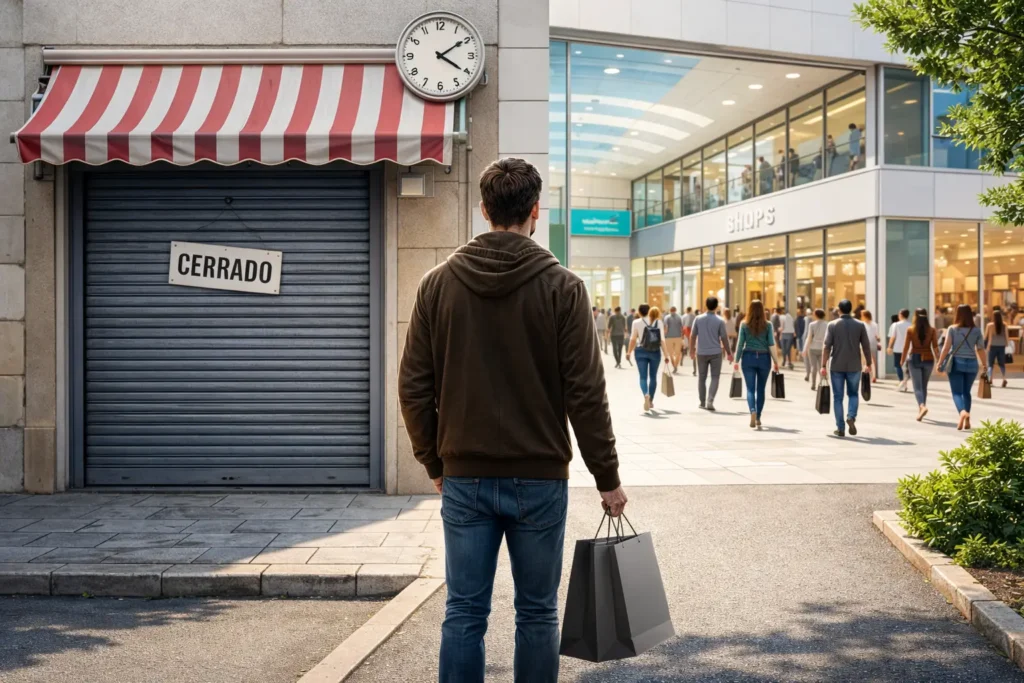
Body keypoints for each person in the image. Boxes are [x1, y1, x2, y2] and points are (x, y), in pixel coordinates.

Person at [398, 157, 626, 683]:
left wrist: (434, 460)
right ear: (534, 212)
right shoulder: (563, 288)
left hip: (465, 476)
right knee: (538, 613)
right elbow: (586, 394)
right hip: (541, 479)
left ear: (484, 209)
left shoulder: (437, 285)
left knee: (464, 613)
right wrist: (607, 478)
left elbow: (414, 386)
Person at [822, 299, 873, 438]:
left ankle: (840, 428)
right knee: (853, 394)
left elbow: (827, 346)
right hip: (854, 365)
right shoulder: (860, 325)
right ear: (851, 309)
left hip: (836, 365)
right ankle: (851, 416)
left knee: (838, 397)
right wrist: (868, 363)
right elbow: (866, 346)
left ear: (839, 310)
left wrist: (823, 365)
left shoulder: (832, 325)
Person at [936, 304, 987, 431]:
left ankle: (962, 412)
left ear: (957, 314)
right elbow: (980, 349)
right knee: (966, 392)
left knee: (957, 392)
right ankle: (967, 418)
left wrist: (939, 363)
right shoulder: (976, 330)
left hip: (956, 363)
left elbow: (946, 347)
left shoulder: (952, 329)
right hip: (972, 364)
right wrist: (985, 364)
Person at [734, 299, 780, 430]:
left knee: (750, 389)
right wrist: (776, 361)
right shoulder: (768, 325)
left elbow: (740, 344)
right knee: (761, 389)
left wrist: (736, 360)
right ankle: (758, 417)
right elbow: (771, 344)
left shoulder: (744, 324)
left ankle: (752, 410)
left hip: (748, 357)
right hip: (764, 358)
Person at [690, 296, 733, 411]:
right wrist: (729, 353)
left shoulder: (698, 319)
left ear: (706, 305)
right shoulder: (720, 321)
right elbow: (724, 338)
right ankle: (710, 400)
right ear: (716, 306)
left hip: (701, 352)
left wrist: (691, 350)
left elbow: (693, 336)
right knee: (715, 377)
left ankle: (702, 402)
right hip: (716, 353)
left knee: (701, 377)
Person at [626, 304, 670, 412]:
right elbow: (662, 340)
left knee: (643, 377)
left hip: (641, 351)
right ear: (649, 311)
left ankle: (645, 394)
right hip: (655, 352)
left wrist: (628, 352)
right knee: (653, 376)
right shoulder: (658, 322)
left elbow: (633, 339)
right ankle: (650, 400)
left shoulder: (636, 322)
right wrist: (666, 355)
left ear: (639, 312)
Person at [901, 307, 940, 421]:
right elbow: (935, 347)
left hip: (915, 358)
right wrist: (939, 361)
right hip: (928, 359)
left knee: (917, 387)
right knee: (924, 386)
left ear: (915, 316)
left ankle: (922, 406)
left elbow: (906, 347)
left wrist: (902, 360)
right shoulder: (932, 330)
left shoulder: (911, 330)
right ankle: (921, 408)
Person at [887, 309, 912, 392]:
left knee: (898, 366)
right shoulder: (911, 325)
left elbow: (892, 337)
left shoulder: (896, 325)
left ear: (901, 315)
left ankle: (901, 381)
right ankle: (904, 383)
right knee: (907, 367)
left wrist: (889, 346)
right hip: (909, 349)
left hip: (898, 348)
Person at [803, 308, 828, 390]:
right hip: (823, 348)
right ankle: (821, 383)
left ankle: (813, 384)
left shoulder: (812, 324)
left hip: (812, 348)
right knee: (822, 367)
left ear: (816, 315)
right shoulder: (827, 324)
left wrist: (805, 349)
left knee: (814, 367)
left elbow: (809, 337)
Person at [986, 310, 1010, 388]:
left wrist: (986, 346)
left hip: (992, 346)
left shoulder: (989, 325)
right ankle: (1004, 378)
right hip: (1001, 346)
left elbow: (986, 336)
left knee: (990, 364)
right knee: (1002, 364)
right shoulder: (1005, 325)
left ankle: (990, 379)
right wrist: (1007, 344)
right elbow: (1006, 337)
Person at [664, 306, 685, 374]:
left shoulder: (667, 317)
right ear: (676, 310)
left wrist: (664, 336)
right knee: (678, 353)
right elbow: (682, 328)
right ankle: (676, 365)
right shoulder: (679, 317)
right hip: (678, 337)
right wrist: (682, 337)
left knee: (670, 354)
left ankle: (674, 366)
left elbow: (666, 328)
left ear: (670, 310)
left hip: (668, 337)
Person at [862, 310, 880, 383]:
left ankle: (868, 376)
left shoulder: (862, 324)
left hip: (865, 344)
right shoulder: (874, 324)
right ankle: (873, 376)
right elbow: (877, 335)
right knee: (872, 360)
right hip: (872, 343)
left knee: (865, 360)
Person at [681, 306, 697, 376]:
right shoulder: (694, 316)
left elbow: (682, 326)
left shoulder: (683, 316)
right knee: (693, 350)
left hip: (686, 334)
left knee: (684, 349)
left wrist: (682, 335)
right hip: (693, 334)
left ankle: (681, 361)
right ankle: (694, 370)